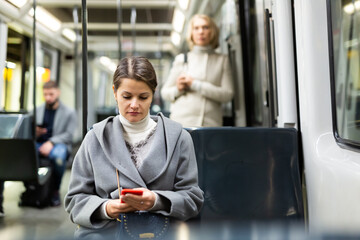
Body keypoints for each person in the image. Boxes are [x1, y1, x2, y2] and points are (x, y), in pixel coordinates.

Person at [65, 56, 204, 239]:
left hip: (163, 232)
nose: (134, 105)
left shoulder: (179, 138)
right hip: (108, 232)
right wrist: (107, 208)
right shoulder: (95, 139)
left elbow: (193, 198)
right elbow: (75, 200)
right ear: (115, 92)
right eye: (127, 96)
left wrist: (156, 201)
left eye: (143, 97)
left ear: (153, 94)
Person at [161, 14, 234, 127]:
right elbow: (165, 92)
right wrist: (178, 89)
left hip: (211, 124)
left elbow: (228, 94)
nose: (201, 32)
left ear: (212, 31)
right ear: (191, 33)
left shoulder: (222, 60)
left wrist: (195, 84)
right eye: (196, 28)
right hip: (182, 123)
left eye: (205, 27)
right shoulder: (182, 59)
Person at [35, 80, 77, 206]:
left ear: (58, 93)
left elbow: (69, 135)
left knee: (59, 156)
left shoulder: (69, 112)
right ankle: (33, 189)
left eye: (51, 94)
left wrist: (51, 142)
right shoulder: (37, 110)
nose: (48, 98)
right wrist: (36, 132)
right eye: (45, 94)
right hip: (39, 143)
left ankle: (55, 189)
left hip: (58, 144)